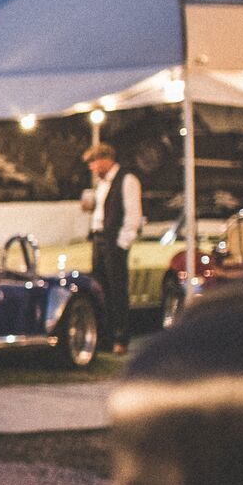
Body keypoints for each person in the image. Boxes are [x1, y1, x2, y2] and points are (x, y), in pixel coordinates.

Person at [81, 141, 143, 356]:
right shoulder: (102, 184)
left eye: (94, 163)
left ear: (105, 160)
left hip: (113, 241)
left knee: (117, 290)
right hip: (99, 239)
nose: (92, 168)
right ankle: (105, 337)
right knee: (101, 289)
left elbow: (133, 215)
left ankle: (120, 337)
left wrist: (122, 244)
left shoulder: (127, 180)